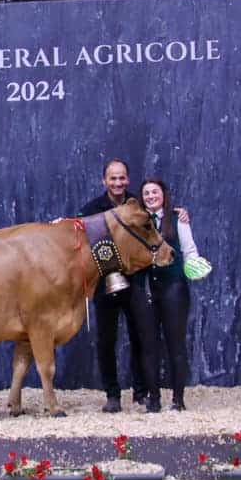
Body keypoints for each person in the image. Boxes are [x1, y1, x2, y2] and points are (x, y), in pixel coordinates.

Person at [78, 159, 159, 413]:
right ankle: (112, 395)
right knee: (106, 341)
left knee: (139, 338)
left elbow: (154, 230)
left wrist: (179, 214)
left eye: (122, 178)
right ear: (104, 181)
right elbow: (78, 235)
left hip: (134, 281)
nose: (117, 183)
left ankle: (140, 392)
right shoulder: (92, 209)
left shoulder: (138, 204)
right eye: (113, 178)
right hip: (105, 285)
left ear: (128, 179)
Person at [138, 178, 200, 412]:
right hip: (146, 287)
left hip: (173, 287)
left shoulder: (177, 219)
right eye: (146, 193)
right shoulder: (137, 221)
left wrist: (195, 267)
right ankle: (153, 399)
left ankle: (178, 399)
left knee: (176, 344)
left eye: (155, 192)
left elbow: (189, 250)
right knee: (148, 345)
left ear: (163, 194)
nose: (151, 196)